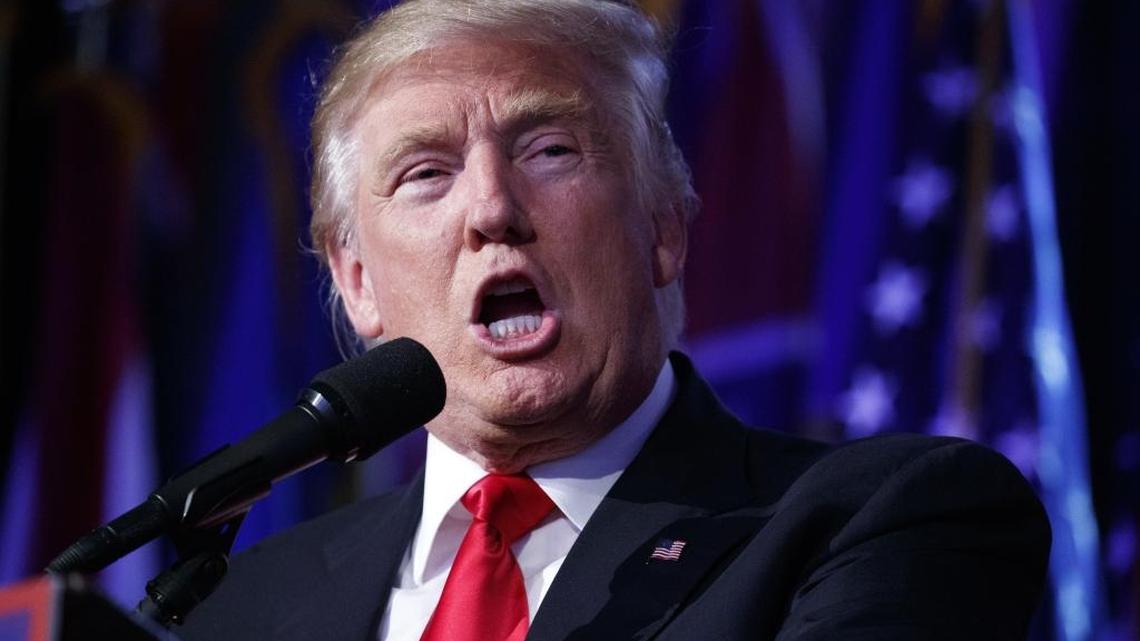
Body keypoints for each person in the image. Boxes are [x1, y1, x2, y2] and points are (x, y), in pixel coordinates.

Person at [179, 1, 1051, 639]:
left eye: (550, 149)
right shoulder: (238, 609)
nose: (491, 207)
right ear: (358, 281)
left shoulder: (881, 521)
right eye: (426, 173)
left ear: (665, 227)